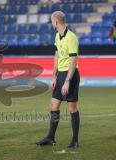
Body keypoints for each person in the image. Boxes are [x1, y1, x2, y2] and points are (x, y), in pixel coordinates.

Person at [36, 11, 80, 148]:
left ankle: (75, 140)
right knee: (54, 105)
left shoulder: (71, 37)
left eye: (51, 21)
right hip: (60, 75)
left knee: (72, 108)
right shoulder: (57, 36)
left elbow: (73, 61)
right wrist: (54, 76)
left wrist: (67, 80)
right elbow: (56, 56)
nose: (51, 24)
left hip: (70, 76)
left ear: (55, 22)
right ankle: (50, 138)